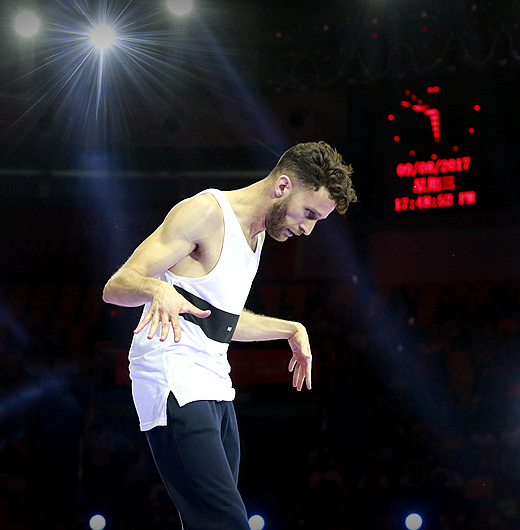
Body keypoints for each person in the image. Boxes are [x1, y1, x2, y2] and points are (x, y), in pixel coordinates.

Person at [102, 141, 356, 530]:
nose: (307, 229)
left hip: (216, 383)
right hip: (175, 377)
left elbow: (221, 320)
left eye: (317, 220)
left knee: (207, 522)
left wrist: (292, 328)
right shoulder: (206, 212)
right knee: (227, 523)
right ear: (283, 186)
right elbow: (117, 286)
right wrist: (157, 289)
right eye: (308, 213)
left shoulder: (257, 236)